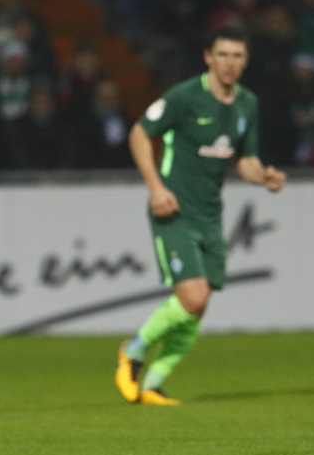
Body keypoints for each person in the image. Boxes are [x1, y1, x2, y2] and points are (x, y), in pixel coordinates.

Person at [115, 24, 286, 406]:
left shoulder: (247, 104)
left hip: (210, 215)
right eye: (222, 54)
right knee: (192, 298)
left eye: (237, 56)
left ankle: (154, 383)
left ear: (246, 62)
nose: (229, 63)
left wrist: (264, 177)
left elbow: (245, 162)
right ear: (208, 57)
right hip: (172, 209)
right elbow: (140, 134)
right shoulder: (185, 96)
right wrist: (156, 187)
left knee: (199, 304)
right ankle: (134, 351)